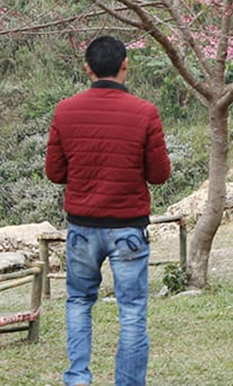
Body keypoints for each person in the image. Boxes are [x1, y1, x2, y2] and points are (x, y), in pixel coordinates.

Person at [45, 36, 170, 386]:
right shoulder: (145, 112)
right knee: (131, 309)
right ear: (125, 64)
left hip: (82, 228)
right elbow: (159, 175)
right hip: (128, 227)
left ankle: (77, 379)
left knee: (78, 302)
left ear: (87, 68)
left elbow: (55, 172)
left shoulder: (65, 111)